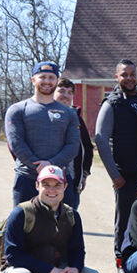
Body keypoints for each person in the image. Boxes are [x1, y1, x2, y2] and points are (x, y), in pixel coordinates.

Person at [0, 165, 101, 273]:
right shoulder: (21, 213)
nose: (51, 190)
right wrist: (50, 270)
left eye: (57, 185)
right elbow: (13, 255)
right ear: (37, 185)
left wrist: (75, 270)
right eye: (46, 184)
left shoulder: (72, 215)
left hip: (53, 271)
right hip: (23, 272)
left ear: (65, 187)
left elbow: (78, 250)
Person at [95, 59, 137, 273]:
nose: (129, 78)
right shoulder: (111, 104)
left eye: (132, 74)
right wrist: (115, 175)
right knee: (124, 221)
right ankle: (121, 261)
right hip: (125, 175)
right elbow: (100, 139)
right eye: (124, 75)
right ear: (116, 77)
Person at [4, 61, 79, 207]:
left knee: (63, 227)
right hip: (27, 179)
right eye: (42, 77)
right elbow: (16, 143)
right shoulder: (17, 109)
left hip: (60, 180)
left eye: (51, 78)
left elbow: (73, 145)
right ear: (33, 80)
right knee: (23, 226)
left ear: (56, 81)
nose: (47, 81)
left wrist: (51, 164)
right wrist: (38, 165)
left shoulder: (69, 113)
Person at [54, 78, 94, 210]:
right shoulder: (42, 114)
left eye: (70, 92)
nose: (66, 95)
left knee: (69, 220)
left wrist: (84, 174)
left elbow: (87, 147)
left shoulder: (76, 118)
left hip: (71, 179)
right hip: (48, 180)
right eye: (61, 91)